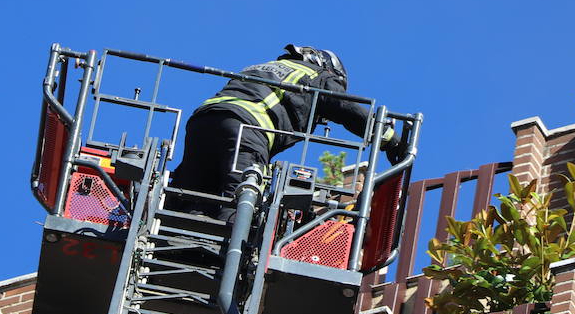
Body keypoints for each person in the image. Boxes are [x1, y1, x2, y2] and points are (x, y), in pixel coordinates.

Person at [169, 45, 409, 220]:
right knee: (241, 198)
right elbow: (344, 107)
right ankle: (222, 249)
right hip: (247, 129)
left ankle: (179, 239)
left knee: (193, 195)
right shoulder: (317, 75)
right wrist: (390, 140)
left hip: (203, 122)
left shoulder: (265, 67)